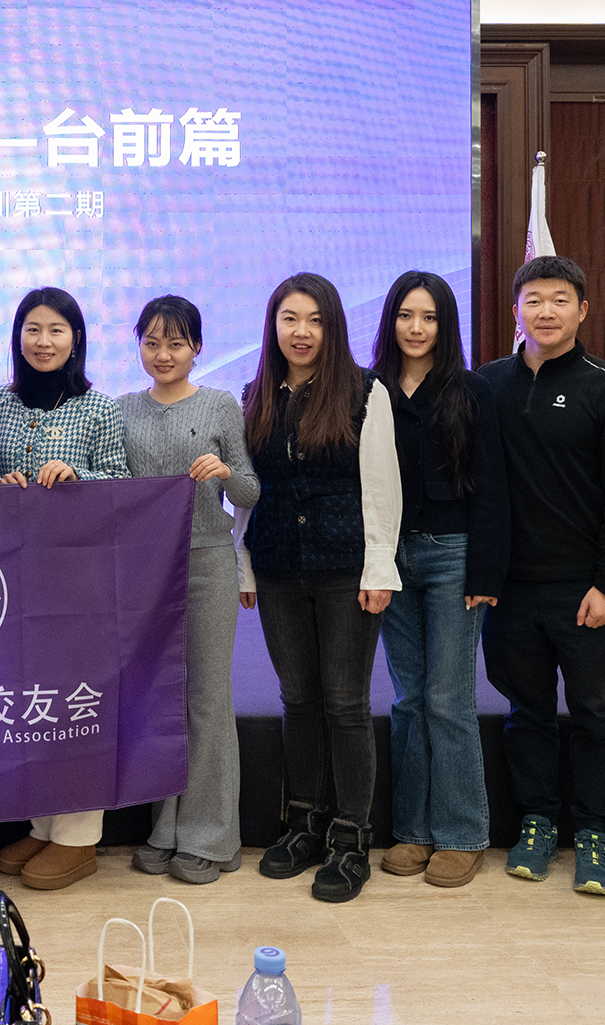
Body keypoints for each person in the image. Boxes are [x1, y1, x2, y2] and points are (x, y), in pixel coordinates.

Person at [477, 256, 605, 898]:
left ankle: (596, 834)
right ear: (515, 310)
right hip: (510, 590)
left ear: (582, 310)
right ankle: (538, 821)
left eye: (559, 300)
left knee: (598, 713)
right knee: (527, 712)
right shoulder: (487, 384)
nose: (545, 312)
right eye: (534, 300)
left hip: (585, 590)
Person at [241, 272, 402, 904]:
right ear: (273, 326)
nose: (301, 332)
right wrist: (244, 564)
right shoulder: (256, 394)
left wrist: (379, 568)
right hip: (278, 567)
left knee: (345, 703)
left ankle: (351, 837)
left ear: (332, 327)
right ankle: (303, 823)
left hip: (346, 571)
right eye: (290, 319)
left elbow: (382, 486)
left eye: (314, 320)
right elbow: (248, 493)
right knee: (298, 700)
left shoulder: (366, 391)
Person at [0, 286, 130, 893]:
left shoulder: (97, 408)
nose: (43, 342)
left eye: (56, 330)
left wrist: (79, 475)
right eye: (33, 329)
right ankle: (44, 825)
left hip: (77, 580)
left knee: (74, 698)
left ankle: (79, 837)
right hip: (8, 577)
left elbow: (123, 484)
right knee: (31, 701)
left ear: (76, 340)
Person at [369, 271, 508, 889]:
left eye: (428, 317)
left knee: (448, 698)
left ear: (445, 324)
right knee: (408, 698)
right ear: (390, 321)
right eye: (405, 315)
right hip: (390, 557)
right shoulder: (369, 390)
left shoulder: (471, 391)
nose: (416, 327)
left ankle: (461, 834)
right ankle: (412, 830)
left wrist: (485, 570)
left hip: (454, 555)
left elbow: (493, 485)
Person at [116, 294, 258, 886]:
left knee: (207, 698)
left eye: (176, 343)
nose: (163, 354)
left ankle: (210, 837)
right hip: (148, 569)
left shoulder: (221, 404)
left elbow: (250, 489)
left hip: (208, 562)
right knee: (160, 700)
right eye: (152, 342)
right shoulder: (122, 410)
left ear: (197, 347)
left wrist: (225, 473)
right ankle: (166, 830)